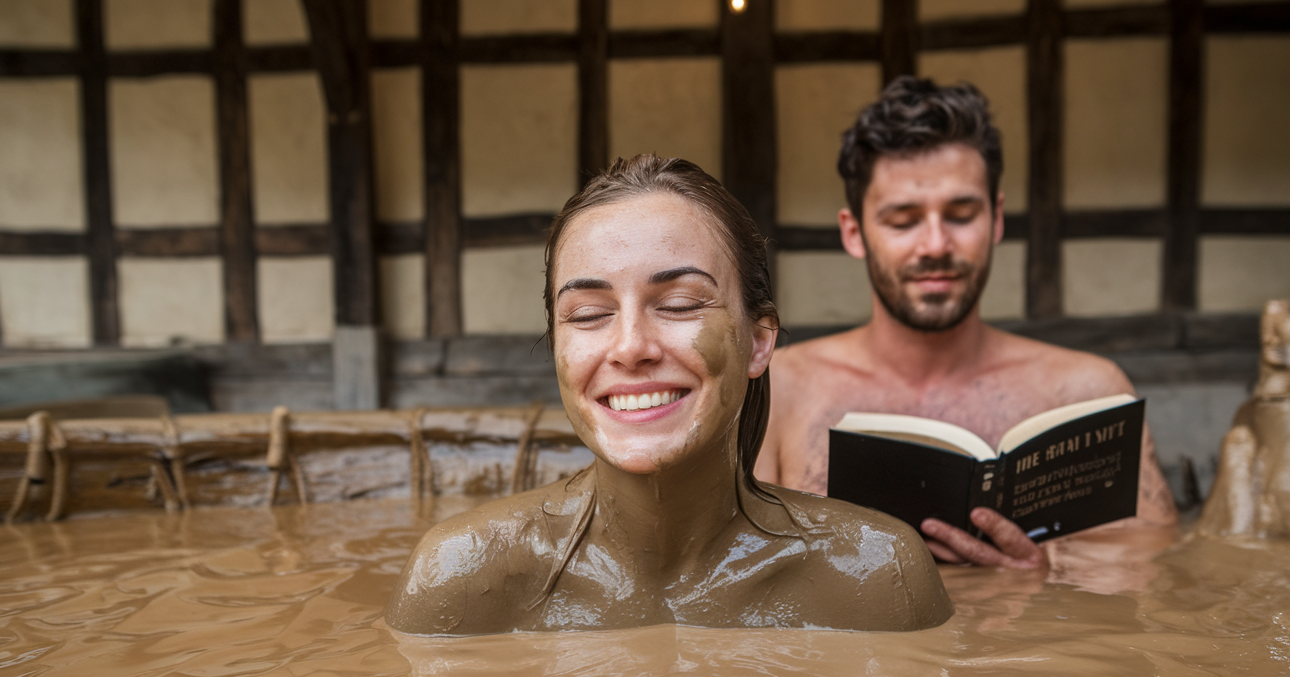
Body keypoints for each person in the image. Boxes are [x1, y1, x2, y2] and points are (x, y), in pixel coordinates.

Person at [386, 155, 953, 635]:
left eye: (680, 304)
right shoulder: (460, 578)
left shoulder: (878, 577)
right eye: (588, 314)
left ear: (759, 342)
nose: (630, 347)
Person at [755, 77, 1178, 570]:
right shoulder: (782, 388)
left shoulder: (1088, 394)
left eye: (961, 214)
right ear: (854, 233)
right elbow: (732, 580)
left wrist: (1046, 578)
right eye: (903, 221)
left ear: (996, 220)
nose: (935, 245)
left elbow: (1154, 586)